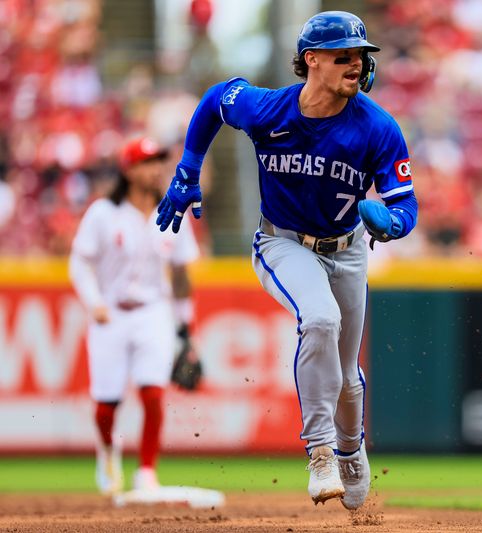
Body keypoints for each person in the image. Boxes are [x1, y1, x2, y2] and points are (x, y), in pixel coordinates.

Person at [154, 11, 418, 508]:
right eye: (344, 54)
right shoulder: (269, 109)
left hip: (349, 248)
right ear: (311, 60)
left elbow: (406, 204)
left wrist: (394, 222)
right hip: (283, 241)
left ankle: (350, 446)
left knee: (347, 377)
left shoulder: (377, 127)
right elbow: (215, 99)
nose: (356, 64)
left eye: (361, 56)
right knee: (319, 319)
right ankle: (319, 451)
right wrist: (189, 166)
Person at [69, 136, 200, 495]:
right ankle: (108, 450)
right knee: (107, 404)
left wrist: (185, 328)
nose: (155, 168)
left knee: (153, 394)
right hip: (110, 314)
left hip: (154, 312)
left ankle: (146, 470)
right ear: (128, 168)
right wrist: (93, 301)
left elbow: (181, 274)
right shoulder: (104, 212)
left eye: (158, 160)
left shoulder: (173, 210)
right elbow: (80, 262)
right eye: (146, 161)